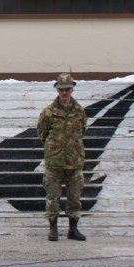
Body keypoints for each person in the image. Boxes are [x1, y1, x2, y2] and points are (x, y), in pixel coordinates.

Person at [37, 72, 88, 242]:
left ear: (72, 89)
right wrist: (55, 148)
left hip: (74, 161)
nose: (64, 93)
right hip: (55, 161)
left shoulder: (79, 111)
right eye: (61, 90)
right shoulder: (49, 112)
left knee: (75, 198)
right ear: (57, 90)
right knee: (53, 197)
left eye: (67, 89)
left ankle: (73, 229)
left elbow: (82, 131)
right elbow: (42, 134)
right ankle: (53, 229)